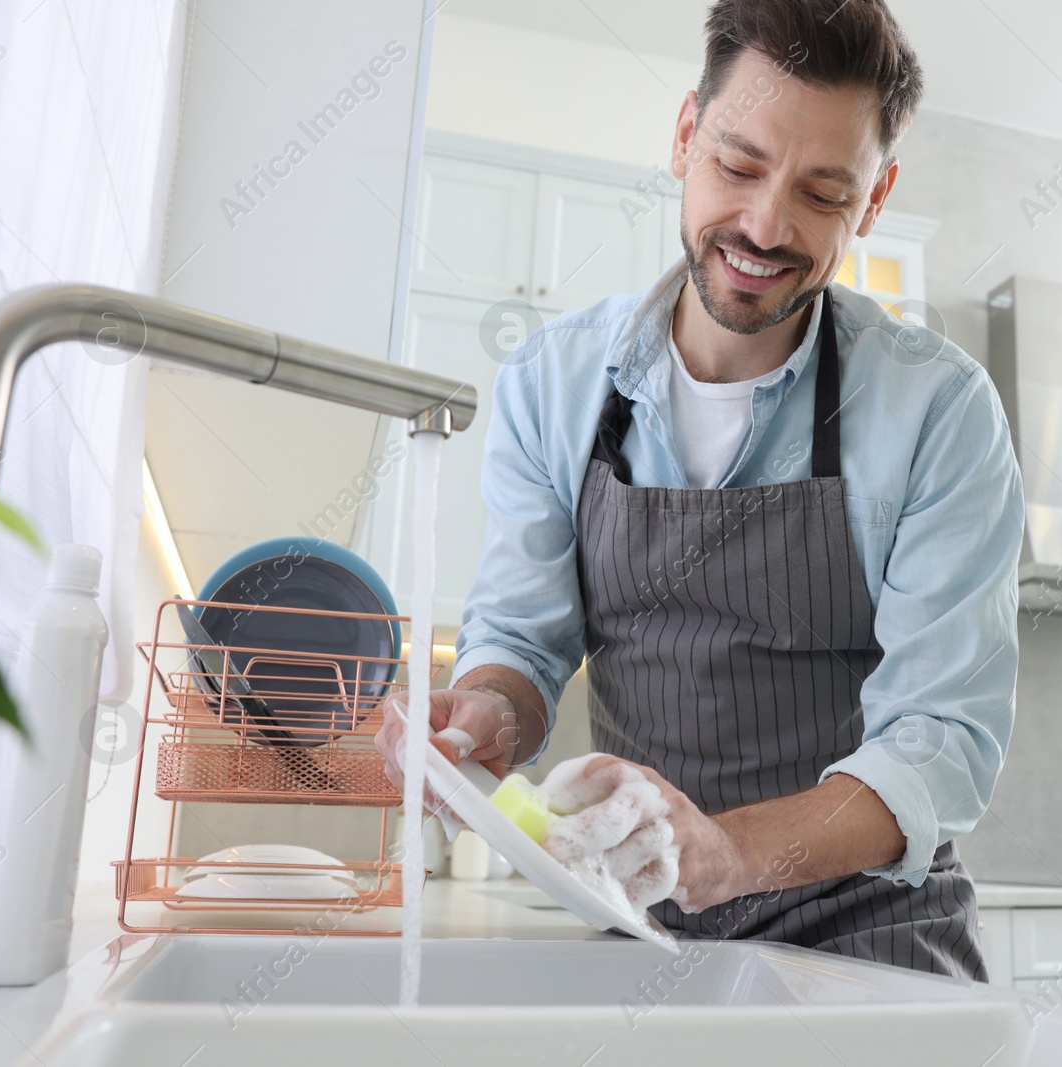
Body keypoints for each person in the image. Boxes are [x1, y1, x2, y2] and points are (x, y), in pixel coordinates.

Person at [377, 0, 1023, 981]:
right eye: (738, 164)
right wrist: (479, 721)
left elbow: (940, 741)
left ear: (874, 199)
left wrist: (729, 851)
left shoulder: (936, 406)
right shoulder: (552, 381)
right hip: (643, 925)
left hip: (878, 938)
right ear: (685, 135)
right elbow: (518, 641)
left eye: (820, 191)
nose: (765, 225)